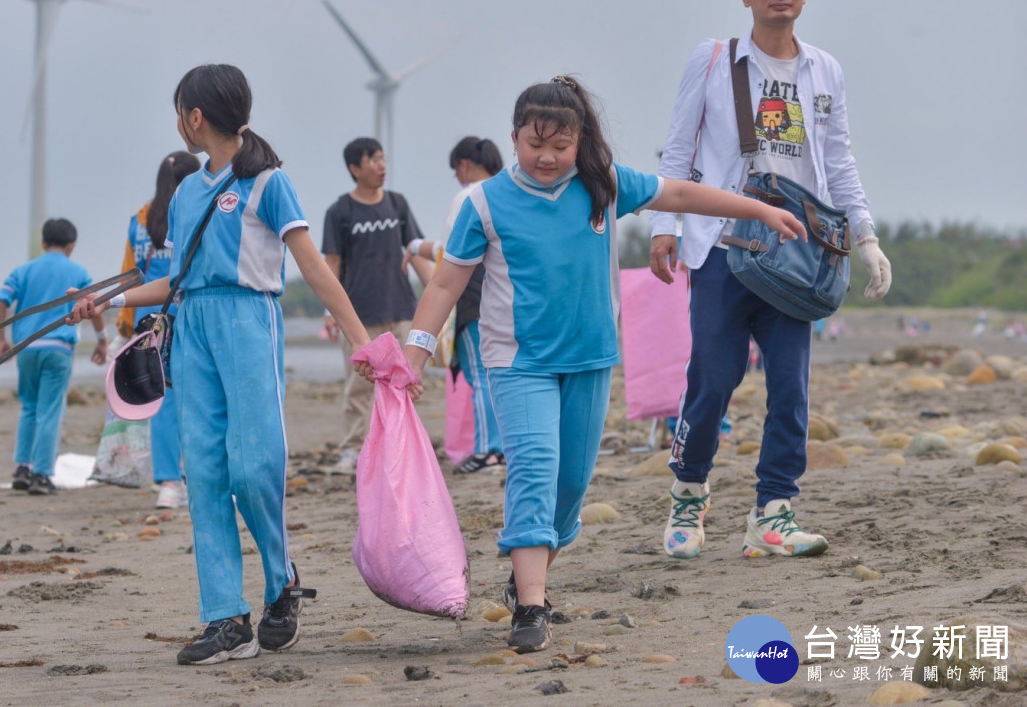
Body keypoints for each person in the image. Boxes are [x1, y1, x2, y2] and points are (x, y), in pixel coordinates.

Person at [401, 76, 806, 653]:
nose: (546, 157)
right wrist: (413, 355)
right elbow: (445, 283)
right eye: (534, 144)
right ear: (512, 137)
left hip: (590, 359)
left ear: (579, 140)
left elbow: (683, 196)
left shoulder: (603, 185)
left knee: (569, 489)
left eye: (560, 145)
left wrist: (760, 211)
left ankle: (526, 579)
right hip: (519, 362)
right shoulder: (483, 202)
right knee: (536, 468)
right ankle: (533, 608)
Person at [69, 64, 373, 666]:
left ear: (195, 116)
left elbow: (312, 267)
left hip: (248, 323)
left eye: (179, 111)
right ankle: (225, 619)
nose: (178, 122)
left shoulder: (268, 182)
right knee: (204, 472)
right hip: (192, 329)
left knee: (254, 467)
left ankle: (281, 582)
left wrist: (362, 342)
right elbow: (174, 281)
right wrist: (111, 299)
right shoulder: (184, 193)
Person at [649, 0, 893, 562]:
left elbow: (838, 161)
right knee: (711, 380)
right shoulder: (711, 62)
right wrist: (664, 225)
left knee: (791, 386)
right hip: (719, 246)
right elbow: (678, 149)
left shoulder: (824, 70)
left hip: (796, 253)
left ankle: (774, 510)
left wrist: (865, 237)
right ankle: (689, 492)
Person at [321, 137, 433, 471]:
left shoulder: (397, 205)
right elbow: (332, 264)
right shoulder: (340, 211)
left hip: (400, 309)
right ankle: (354, 448)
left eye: (382, 158)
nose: (381, 165)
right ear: (355, 168)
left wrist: (438, 292)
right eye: (372, 160)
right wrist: (330, 312)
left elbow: (414, 252)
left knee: (404, 380)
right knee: (358, 385)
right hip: (358, 316)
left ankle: (399, 445)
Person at [405, 136, 505, 473]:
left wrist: (416, 245)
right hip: (514, 300)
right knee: (508, 374)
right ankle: (505, 448)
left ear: (463, 166)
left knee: (481, 376)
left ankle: (490, 450)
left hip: (476, 299)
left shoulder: (469, 195)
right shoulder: (512, 190)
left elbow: (451, 253)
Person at [0, 218, 108, 496]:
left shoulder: (23, 270)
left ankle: (22, 467)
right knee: (50, 411)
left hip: (26, 347)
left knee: (29, 407)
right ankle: (42, 474)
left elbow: (0, 301)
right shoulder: (78, 272)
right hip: (58, 347)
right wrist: (102, 341)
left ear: (43, 243)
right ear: (72, 245)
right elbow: (92, 307)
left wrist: (1, 339)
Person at [116, 150, 201, 509]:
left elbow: (129, 271)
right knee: (199, 397)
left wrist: (121, 320)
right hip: (187, 314)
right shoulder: (196, 212)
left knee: (159, 400)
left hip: (148, 322)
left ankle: (168, 482)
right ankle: (199, 477)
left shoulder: (139, 220)